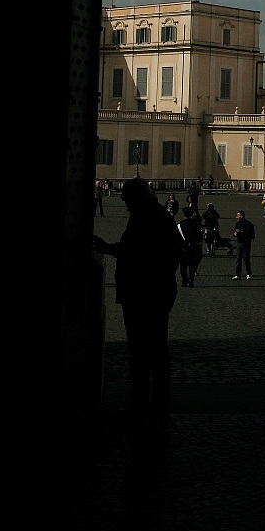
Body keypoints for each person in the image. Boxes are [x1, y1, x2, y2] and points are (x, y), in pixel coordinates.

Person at [91, 176, 181, 426]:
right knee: (153, 350)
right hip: (154, 290)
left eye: (126, 197)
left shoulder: (146, 216)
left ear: (136, 197)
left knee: (144, 351)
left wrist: (110, 249)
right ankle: (153, 404)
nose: (124, 201)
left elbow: (137, 251)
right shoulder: (156, 214)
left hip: (145, 292)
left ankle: (144, 404)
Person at [177, 205, 203, 287]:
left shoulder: (180, 225)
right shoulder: (195, 225)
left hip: (183, 248)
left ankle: (184, 281)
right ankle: (191, 280)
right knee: (192, 265)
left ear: (184, 215)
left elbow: (176, 237)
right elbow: (199, 238)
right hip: (193, 247)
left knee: (183, 266)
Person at [232, 210, 255, 279]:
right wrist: (235, 234)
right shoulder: (237, 223)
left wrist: (241, 232)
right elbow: (234, 231)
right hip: (239, 243)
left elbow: (249, 234)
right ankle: (238, 274)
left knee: (246, 259)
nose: (236, 217)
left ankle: (248, 273)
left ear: (241, 216)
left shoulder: (248, 224)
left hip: (246, 243)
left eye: (238, 215)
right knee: (238, 259)